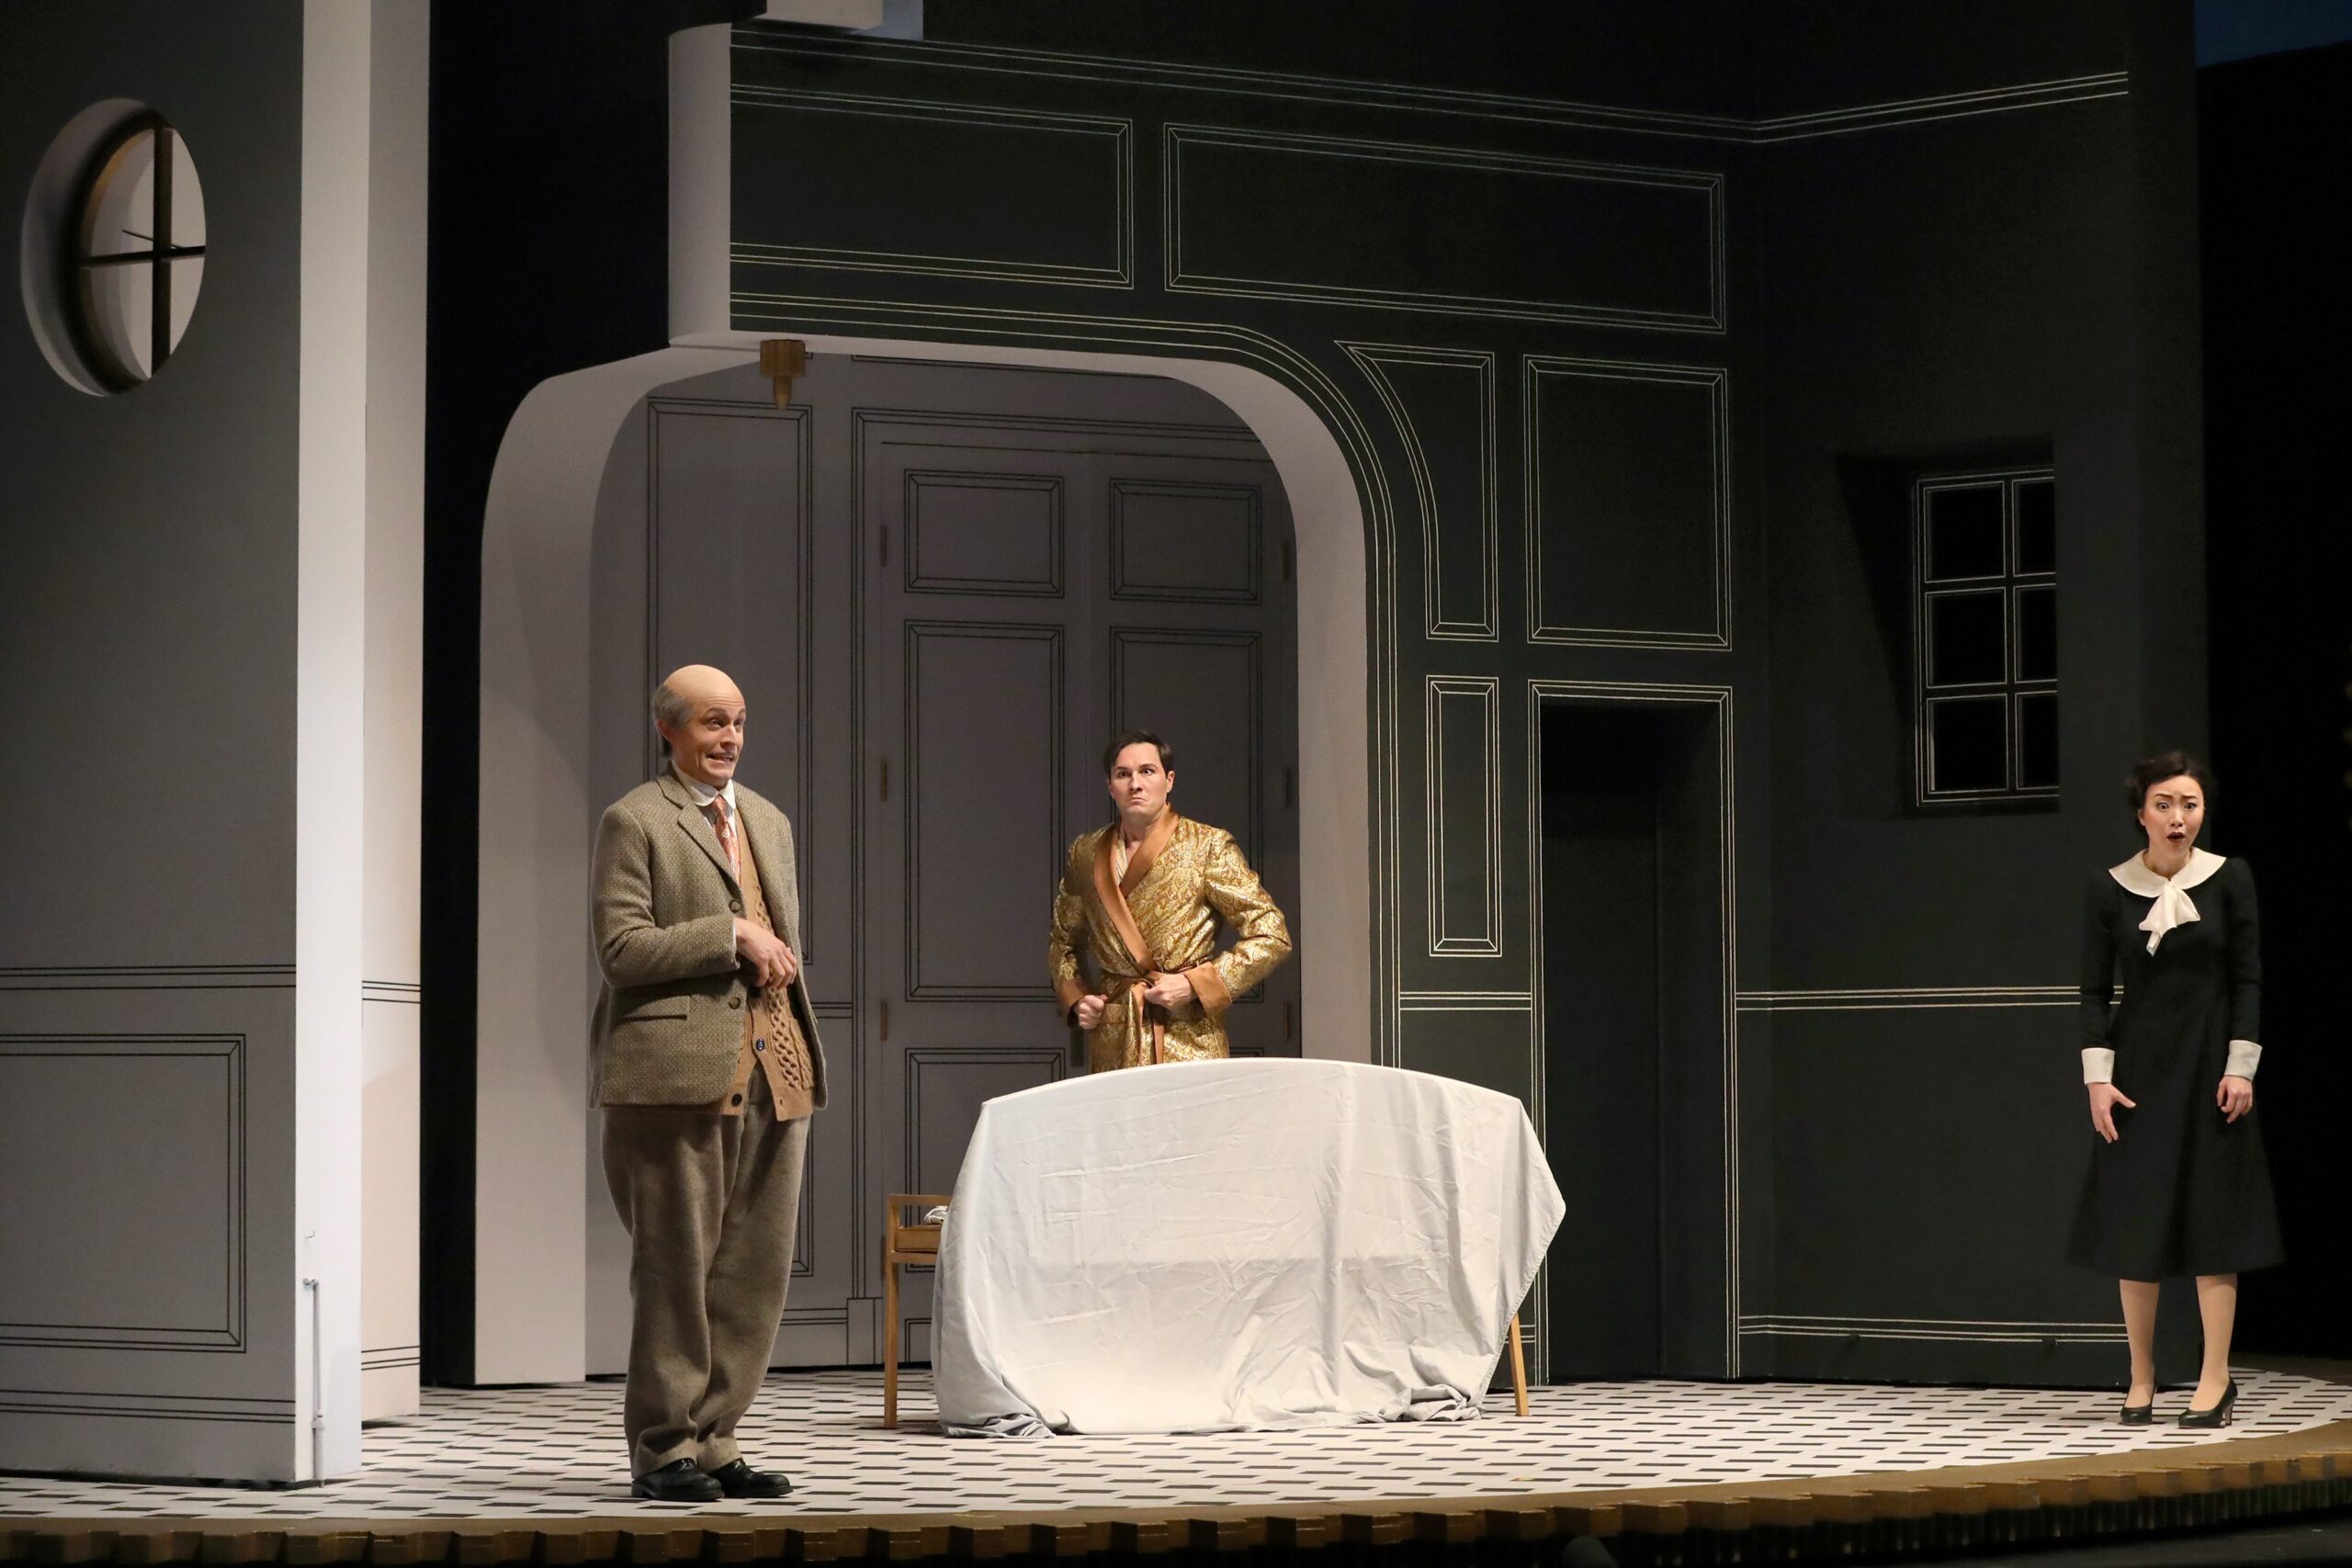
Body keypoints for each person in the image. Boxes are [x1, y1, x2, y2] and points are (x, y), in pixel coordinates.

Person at [590, 664, 828, 1501]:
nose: (728, 738)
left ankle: (718, 1438)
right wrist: (726, 931)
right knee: (674, 1269)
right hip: (673, 1077)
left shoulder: (767, 819)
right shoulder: (636, 819)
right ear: (671, 730)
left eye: (738, 722)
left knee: (753, 1270)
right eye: (710, 723)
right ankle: (663, 1448)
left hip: (775, 1069)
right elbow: (621, 950)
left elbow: (784, 944)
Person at [2069, 750, 2279, 1427]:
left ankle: (2216, 1376)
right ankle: (2141, 1374)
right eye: (2164, 803)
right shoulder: (2110, 887)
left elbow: (2248, 977)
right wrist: (2099, 1081)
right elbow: (2094, 991)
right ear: (2141, 812)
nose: (2178, 816)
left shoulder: (2229, 879)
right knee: (2139, 1220)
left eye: (2189, 803)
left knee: (2213, 1216)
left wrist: (2240, 1065)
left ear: (2202, 811)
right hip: (2141, 1069)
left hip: (2211, 1063)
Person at [1048, 730, 1292, 1072]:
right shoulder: (1086, 853)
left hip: (1189, 1035)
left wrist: (1195, 984)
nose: (1136, 783)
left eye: (1147, 771)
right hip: (1114, 1035)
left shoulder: (1207, 846)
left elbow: (1272, 934)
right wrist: (1077, 999)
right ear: (1110, 786)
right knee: (1119, 1125)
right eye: (1124, 774)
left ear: (1169, 780)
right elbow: (1063, 942)